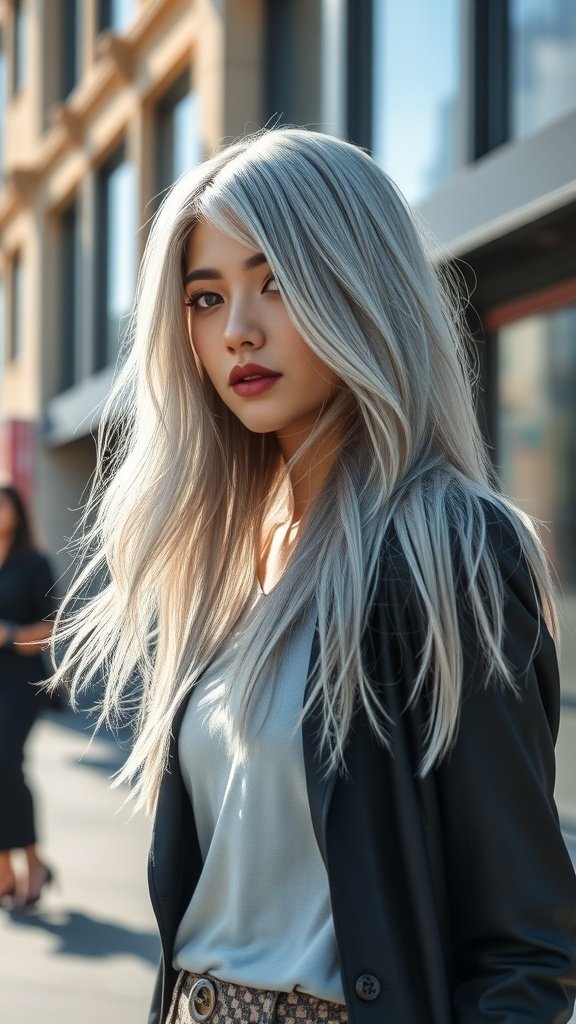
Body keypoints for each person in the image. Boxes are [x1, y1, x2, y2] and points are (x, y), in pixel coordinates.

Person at [51, 128, 576, 1024]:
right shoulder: (228, 559)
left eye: (278, 281)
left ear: (359, 284)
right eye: (206, 297)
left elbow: (523, 949)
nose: (238, 331)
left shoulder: (447, 548)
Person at [0, 484, 57, 908]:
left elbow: (52, 630)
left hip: (21, 682)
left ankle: (33, 864)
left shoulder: (34, 564)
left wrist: (10, 635)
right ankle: (5, 869)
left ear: (18, 512)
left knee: (5, 763)